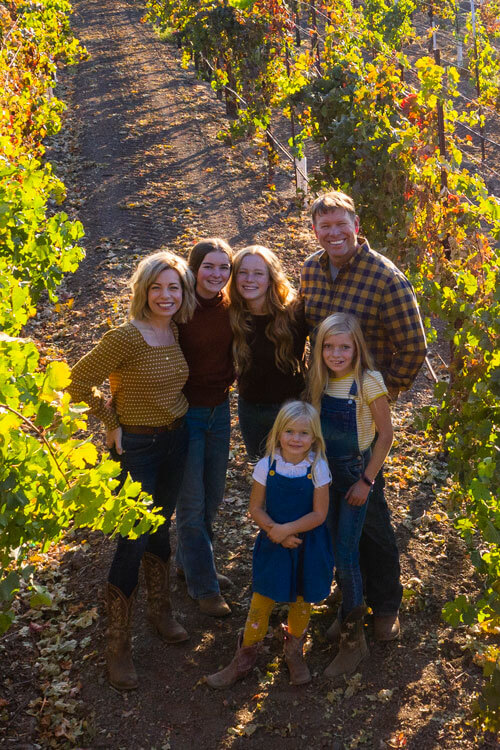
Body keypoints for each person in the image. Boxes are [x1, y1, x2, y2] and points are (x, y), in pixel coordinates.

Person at [300, 190, 427, 641]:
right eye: (324, 225)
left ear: (356, 225)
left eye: (341, 224)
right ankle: (350, 593)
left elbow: (413, 346)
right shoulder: (312, 271)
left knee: (370, 511)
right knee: (333, 508)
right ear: (314, 229)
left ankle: (386, 604)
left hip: (362, 418)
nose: (333, 233)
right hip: (325, 408)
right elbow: (308, 332)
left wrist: (374, 396)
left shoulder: (385, 277)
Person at [68, 250, 196, 691]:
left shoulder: (177, 332)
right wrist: (111, 422)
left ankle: (160, 612)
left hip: (176, 439)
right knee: (132, 538)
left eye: (173, 287)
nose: (166, 295)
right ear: (143, 290)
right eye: (157, 287)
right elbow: (74, 381)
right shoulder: (126, 337)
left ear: (183, 292)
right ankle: (118, 645)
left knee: (161, 526)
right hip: (137, 447)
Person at [206, 401, 333, 688]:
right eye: (289, 431)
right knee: (261, 599)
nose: (296, 438)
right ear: (278, 433)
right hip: (274, 543)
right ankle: (245, 657)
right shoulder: (268, 465)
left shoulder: (318, 468)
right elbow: (256, 507)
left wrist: (288, 530)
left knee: (302, 599)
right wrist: (275, 532)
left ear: (314, 437)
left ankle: (294, 651)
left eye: (304, 433)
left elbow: (319, 514)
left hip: (307, 543)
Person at [309, 313, 393, 676]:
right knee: (332, 547)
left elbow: (386, 436)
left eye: (344, 346)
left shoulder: (368, 382)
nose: (336, 353)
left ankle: (353, 642)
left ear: (356, 347)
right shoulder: (321, 381)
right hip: (327, 475)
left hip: (355, 476)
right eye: (328, 347)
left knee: (346, 555)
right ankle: (346, 613)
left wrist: (367, 482)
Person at [175, 238, 234, 618]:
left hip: (220, 411)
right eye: (209, 267)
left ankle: (192, 562)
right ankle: (204, 586)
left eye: (223, 268)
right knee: (192, 503)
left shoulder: (233, 307)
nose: (216, 274)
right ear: (194, 268)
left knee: (212, 497)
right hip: (186, 414)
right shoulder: (179, 308)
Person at [229, 245, 307, 462]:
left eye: (258, 273)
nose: (249, 279)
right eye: (242, 272)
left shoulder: (295, 313)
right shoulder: (233, 315)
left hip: (290, 409)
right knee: (261, 469)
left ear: (271, 278)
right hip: (249, 409)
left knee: (291, 470)